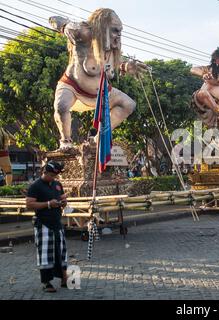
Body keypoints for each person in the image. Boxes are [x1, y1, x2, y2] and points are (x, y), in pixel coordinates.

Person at [49, 9, 147, 150]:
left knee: (129, 104)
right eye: (114, 30)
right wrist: (65, 25)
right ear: (102, 27)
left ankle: (99, 138)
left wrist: (126, 66)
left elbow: (115, 64)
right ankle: (66, 142)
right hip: (72, 86)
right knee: (61, 106)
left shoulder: (112, 50)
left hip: (101, 94)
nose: (118, 35)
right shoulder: (83, 34)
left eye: (120, 31)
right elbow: (55, 20)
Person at [26, 161, 69, 293]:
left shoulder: (57, 184)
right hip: (43, 223)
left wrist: (63, 202)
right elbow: (29, 204)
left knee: (61, 251)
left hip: (57, 223)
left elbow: (62, 198)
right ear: (44, 172)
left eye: (54, 176)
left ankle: (64, 278)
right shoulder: (36, 186)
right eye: (51, 175)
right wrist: (48, 204)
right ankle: (47, 282)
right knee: (45, 253)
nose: (53, 178)